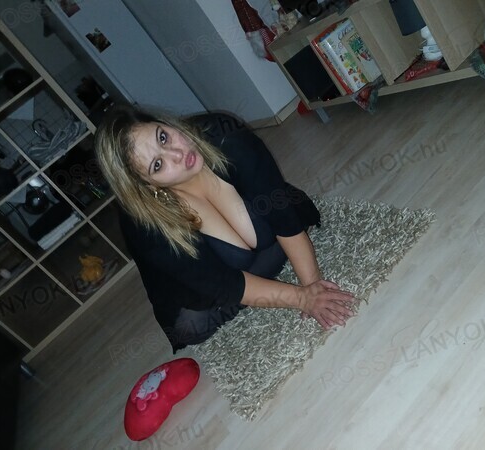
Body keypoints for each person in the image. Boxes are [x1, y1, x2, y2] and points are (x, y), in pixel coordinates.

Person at [94, 105, 354, 352]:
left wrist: (314, 287)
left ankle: (256, 282)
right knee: (192, 325)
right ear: (149, 185)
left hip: (255, 254)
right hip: (202, 287)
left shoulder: (225, 133)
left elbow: (283, 216)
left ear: (165, 123)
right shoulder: (144, 225)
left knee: (290, 213)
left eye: (163, 137)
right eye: (158, 165)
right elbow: (219, 283)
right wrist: (301, 298)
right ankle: (252, 286)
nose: (177, 154)